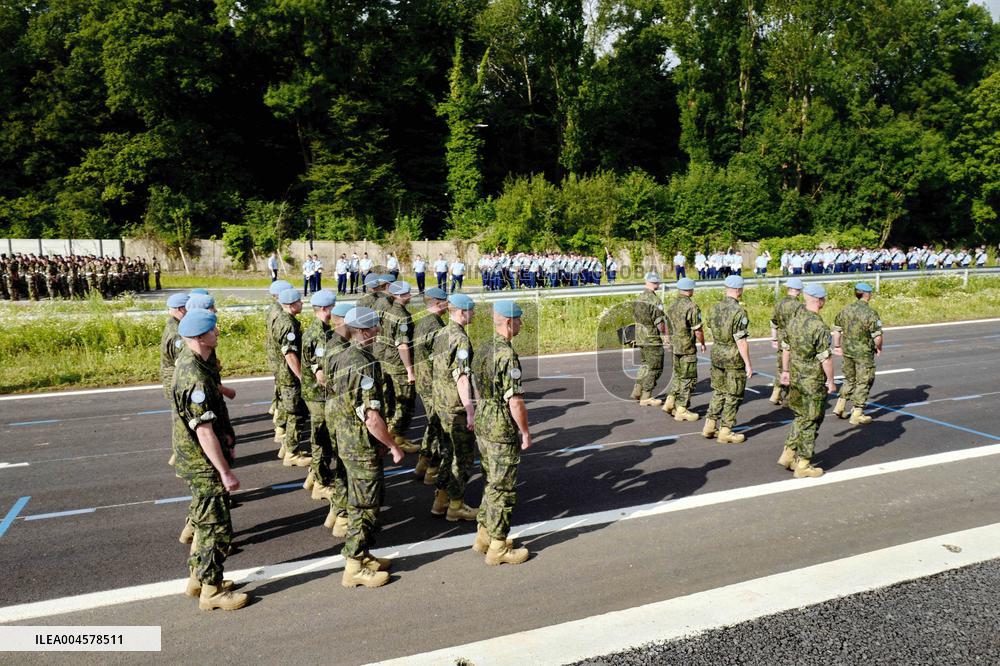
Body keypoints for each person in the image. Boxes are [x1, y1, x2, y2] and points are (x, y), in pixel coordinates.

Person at [171, 309, 248, 611]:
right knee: (216, 527)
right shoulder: (195, 380)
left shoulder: (193, 362)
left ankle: (198, 579)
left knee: (204, 523)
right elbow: (204, 432)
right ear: (201, 337)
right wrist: (225, 472)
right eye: (213, 330)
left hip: (194, 458)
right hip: (202, 462)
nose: (217, 333)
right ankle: (211, 591)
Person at [325, 306, 405, 588]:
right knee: (365, 506)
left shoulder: (341, 355)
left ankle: (364, 554)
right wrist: (392, 445)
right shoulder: (363, 363)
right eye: (374, 327)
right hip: (360, 445)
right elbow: (370, 416)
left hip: (347, 440)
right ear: (362, 331)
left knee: (359, 500)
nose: (378, 331)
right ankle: (354, 564)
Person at [471, 300, 532, 565]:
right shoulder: (507, 355)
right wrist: (525, 432)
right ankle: (498, 546)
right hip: (499, 425)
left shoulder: (485, 346)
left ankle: (484, 535)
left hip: (483, 419)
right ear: (509, 322)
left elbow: (476, 384)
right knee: (503, 487)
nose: (520, 324)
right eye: (518, 320)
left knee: (491, 482)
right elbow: (515, 401)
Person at [778, 283, 836, 478]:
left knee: (800, 416)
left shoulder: (794, 320)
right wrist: (831, 381)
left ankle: (788, 453)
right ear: (819, 301)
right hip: (812, 381)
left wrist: (785, 371)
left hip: (795, 376)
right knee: (812, 420)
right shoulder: (819, 326)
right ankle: (803, 464)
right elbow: (825, 358)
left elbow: (786, 348)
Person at [431, 293, 479, 521]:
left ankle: (441, 500)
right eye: (471, 310)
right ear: (461, 312)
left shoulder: (441, 333)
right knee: (463, 457)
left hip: (441, 403)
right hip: (454, 406)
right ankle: (456, 505)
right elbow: (461, 376)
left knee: (448, 454)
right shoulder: (460, 339)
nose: (474, 314)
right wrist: (470, 409)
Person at [300, 289, 340, 503]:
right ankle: (321, 484)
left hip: (315, 393)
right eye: (333, 307)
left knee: (321, 437)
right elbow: (321, 374)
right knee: (322, 439)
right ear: (325, 309)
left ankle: (314, 477)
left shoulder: (320, 329)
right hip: (318, 394)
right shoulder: (319, 335)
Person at [703, 275, 752, 444]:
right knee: (734, 394)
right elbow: (741, 341)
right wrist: (748, 364)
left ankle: (710, 425)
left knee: (719, 391)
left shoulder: (714, 308)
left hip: (717, 353)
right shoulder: (739, 311)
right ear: (739, 290)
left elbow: (710, 328)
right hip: (732, 357)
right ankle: (726, 430)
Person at [376, 281, 419, 453]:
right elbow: (402, 345)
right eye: (408, 293)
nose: (410, 296)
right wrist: (410, 370)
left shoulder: (387, 310)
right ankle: (397, 437)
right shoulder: (402, 316)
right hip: (398, 363)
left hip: (385, 358)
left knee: (391, 398)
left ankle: (391, 434)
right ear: (401, 296)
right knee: (406, 402)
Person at [832, 282, 883, 425]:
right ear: (867, 294)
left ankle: (840, 406)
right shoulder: (870, 313)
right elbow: (877, 336)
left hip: (847, 350)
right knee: (864, 380)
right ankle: (857, 413)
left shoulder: (845, 310)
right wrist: (878, 347)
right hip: (863, 352)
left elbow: (837, 330)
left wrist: (837, 346)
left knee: (849, 378)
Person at [272, 288, 313, 467]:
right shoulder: (288, 325)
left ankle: (287, 447)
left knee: (292, 412)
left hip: (285, 375)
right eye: (299, 301)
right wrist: (301, 376)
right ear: (291, 304)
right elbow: (289, 353)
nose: (302, 304)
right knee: (296, 413)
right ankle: (291, 453)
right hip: (290, 377)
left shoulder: (283, 319)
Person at [412, 287, 448, 485]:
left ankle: (423, 463)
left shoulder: (424, 321)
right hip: (433, 382)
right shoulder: (435, 325)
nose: (447, 304)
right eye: (445, 301)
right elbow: (439, 358)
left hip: (423, 379)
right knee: (438, 425)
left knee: (433, 423)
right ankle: (432, 468)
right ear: (437, 303)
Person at [662, 278, 705, 422]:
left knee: (678, 375)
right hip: (687, 347)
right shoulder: (691, 306)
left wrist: (667, 340)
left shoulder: (672, 305)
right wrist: (702, 343)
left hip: (675, 346)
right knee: (689, 379)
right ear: (690, 289)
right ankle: (682, 410)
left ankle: (670, 401)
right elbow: (697, 329)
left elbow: (666, 325)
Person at [631, 272, 667, 406]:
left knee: (645, 364)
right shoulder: (654, 300)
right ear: (656, 283)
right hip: (652, 338)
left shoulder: (639, 298)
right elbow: (659, 322)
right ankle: (646, 396)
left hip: (640, 336)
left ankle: (637, 390)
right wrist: (666, 335)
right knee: (655, 367)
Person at [768, 278, 804, 405]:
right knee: (793, 366)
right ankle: (789, 396)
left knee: (781, 366)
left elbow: (773, 322)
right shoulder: (799, 306)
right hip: (793, 338)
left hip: (781, 336)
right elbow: (801, 325)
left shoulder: (779, 303)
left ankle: (776, 393)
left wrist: (774, 338)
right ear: (797, 290)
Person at [266, 280, 293, 445]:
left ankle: (276, 411)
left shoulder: (272, 309)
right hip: (280, 360)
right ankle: (281, 427)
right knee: (285, 393)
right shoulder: (281, 315)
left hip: (274, 357)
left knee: (280, 388)